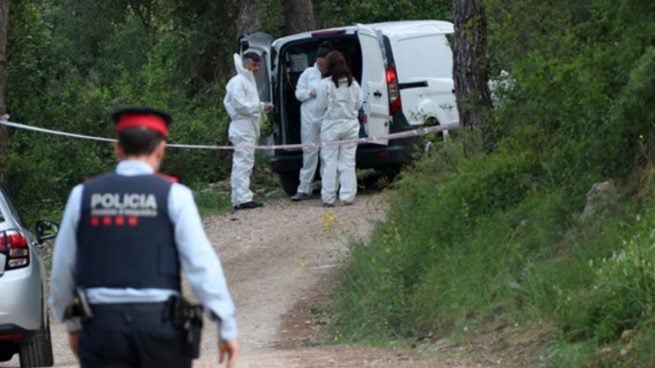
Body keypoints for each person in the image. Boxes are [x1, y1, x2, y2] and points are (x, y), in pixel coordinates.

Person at [49, 107, 240, 368]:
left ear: (117, 148)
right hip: (160, 329)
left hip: (102, 330)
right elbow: (202, 266)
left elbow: (62, 272)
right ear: (161, 148)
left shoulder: (82, 195)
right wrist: (225, 325)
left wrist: (72, 326)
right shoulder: (175, 195)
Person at [224, 51, 274, 210]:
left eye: (258, 65)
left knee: (242, 163)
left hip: (247, 126)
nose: (257, 68)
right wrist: (260, 107)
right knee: (243, 163)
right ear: (245, 63)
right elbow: (238, 105)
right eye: (254, 64)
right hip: (242, 127)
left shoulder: (247, 81)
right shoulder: (238, 81)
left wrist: (260, 108)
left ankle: (239, 198)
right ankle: (243, 199)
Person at [315, 51, 363, 207]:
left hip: (331, 125)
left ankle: (328, 197)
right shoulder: (354, 84)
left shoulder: (325, 85)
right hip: (350, 125)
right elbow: (359, 104)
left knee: (330, 162)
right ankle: (348, 196)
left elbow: (319, 107)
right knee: (348, 161)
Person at [290, 41, 334, 201]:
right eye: (320, 64)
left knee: (327, 153)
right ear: (316, 61)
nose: (322, 68)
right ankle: (304, 188)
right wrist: (311, 92)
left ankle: (328, 188)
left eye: (325, 65)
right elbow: (298, 94)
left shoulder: (332, 74)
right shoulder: (308, 73)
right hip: (309, 118)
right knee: (309, 152)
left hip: (326, 117)